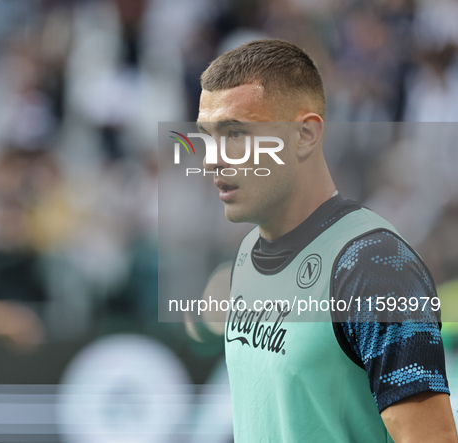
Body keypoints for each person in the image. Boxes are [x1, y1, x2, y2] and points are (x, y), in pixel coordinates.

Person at [196, 39, 458, 442]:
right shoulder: (248, 252)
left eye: (236, 133)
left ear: (305, 135)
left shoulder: (374, 265)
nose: (212, 158)